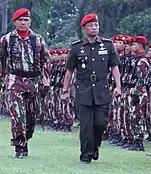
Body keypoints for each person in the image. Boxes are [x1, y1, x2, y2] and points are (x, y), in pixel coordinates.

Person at [61, 13, 121, 164]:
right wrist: (65, 90)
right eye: (91, 25)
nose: (95, 28)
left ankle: (95, 146)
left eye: (96, 25)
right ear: (84, 28)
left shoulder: (107, 45)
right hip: (84, 90)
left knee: (101, 122)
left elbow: (114, 67)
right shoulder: (77, 47)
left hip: (102, 89)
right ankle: (85, 155)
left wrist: (118, 86)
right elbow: (69, 71)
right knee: (86, 126)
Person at [0, 8, 51, 158]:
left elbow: (46, 61)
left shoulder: (38, 39)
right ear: (15, 22)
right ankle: (19, 148)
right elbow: (1, 59)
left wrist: (45, 80)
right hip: (14, 81)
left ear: (30, 22)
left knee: (32, 117)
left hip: (33, 82)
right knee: (18, 117)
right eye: (20, 20)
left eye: (26, 20)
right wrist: (3, 77)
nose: (23, 23)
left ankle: (26, 138)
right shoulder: (6, 39)